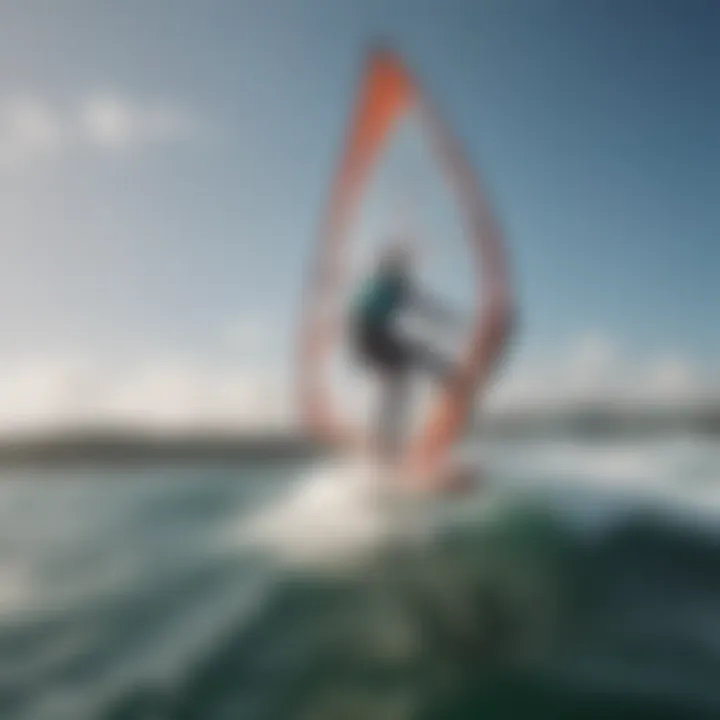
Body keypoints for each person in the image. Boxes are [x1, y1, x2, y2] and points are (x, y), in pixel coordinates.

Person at [350, 240, 460, 464]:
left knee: (398, 385)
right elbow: (422, 304)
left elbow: (417, 304)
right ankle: (451, 379)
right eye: (404, 263)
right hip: (371, 337)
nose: (408, 268)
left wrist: (442, 317)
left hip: (365, 339)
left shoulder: (380, 281)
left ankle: (385, 447)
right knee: (414, 359)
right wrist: (447, 317)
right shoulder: (391, 281)